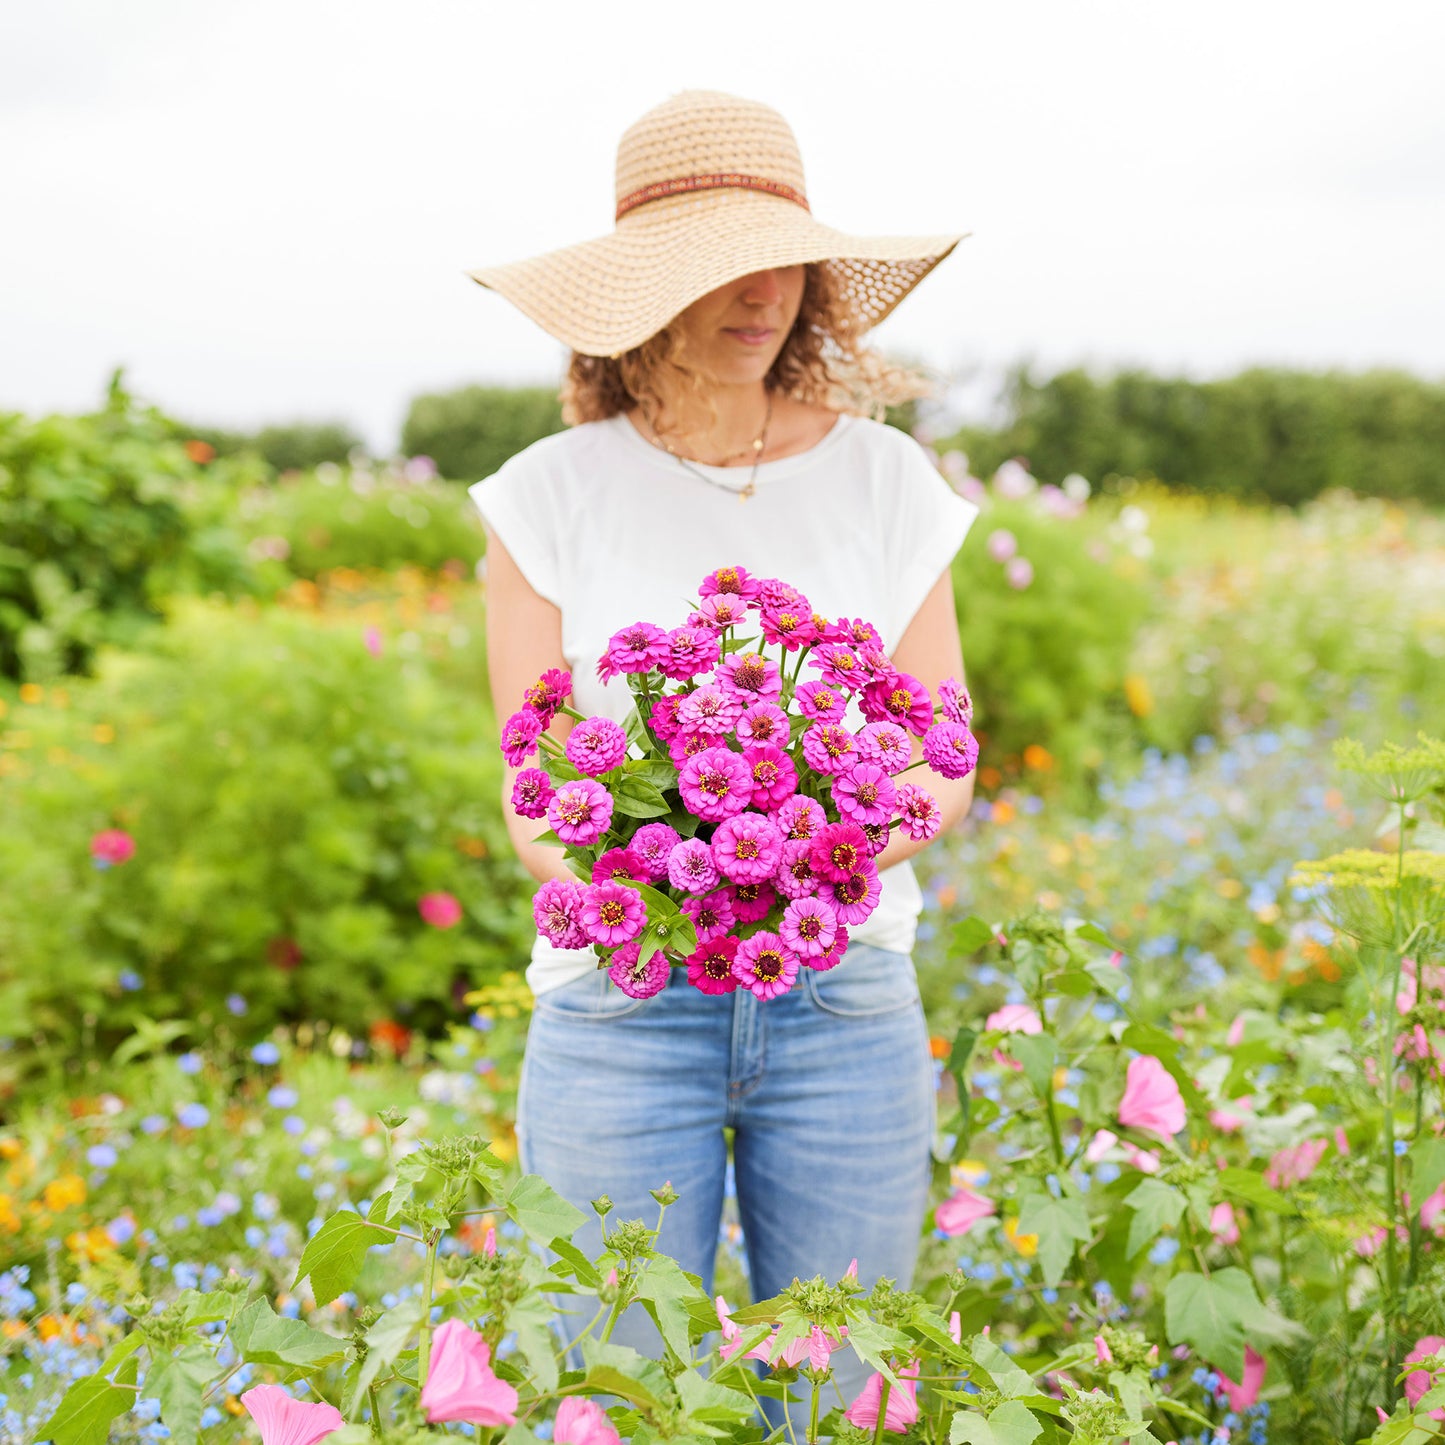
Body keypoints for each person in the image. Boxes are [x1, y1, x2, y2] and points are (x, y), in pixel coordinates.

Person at [465, 88, 979, 1433]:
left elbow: (942, 751)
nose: (763, 291)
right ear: (645, 292)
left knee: (843, 1400)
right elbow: (532, 788)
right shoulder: (543, 496)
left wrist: (832, 843)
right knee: (615, 1394)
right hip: (621, 1006)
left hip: (844, 998)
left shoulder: (885, 484)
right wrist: (672, 894)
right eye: (718, 263)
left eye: (782, 257)